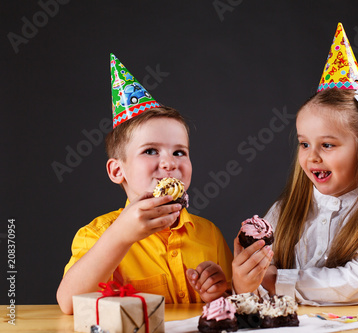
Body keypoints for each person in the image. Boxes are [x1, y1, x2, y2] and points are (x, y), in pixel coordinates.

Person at [232, 23, 358, 305]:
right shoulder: (288, 209)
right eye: (304, 144)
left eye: (328, 145)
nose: (312, 157)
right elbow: (259, 288)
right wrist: (246, 278)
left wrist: (275, 281)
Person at [57, 55, 233, 314]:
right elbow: (69, 303)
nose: (169, 163)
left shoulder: (209, 235)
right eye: (151, 151)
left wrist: (218, 291)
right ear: (118, 170)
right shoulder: (96, 235)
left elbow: (232, 303)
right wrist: (120, 236)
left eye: (179, 152)